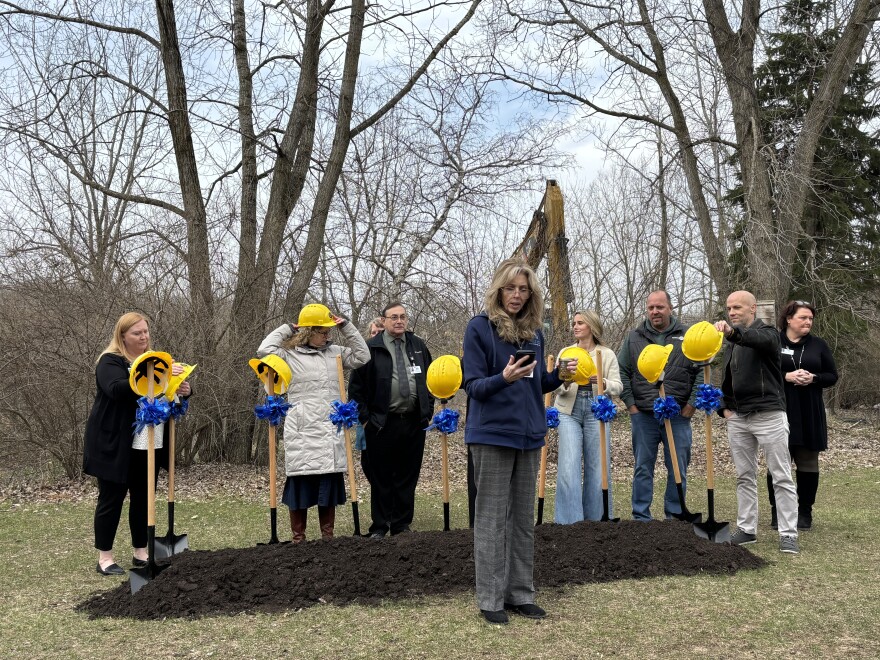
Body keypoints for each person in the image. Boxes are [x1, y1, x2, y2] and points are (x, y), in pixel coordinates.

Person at [462, 258, 574, 625]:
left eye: (523, 289)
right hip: (492, 435)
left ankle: (519, 594)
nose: (516, 295)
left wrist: (557, 376)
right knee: (492, 519)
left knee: (524, 519)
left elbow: (536, 384)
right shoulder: (479, 329)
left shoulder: (534, 332)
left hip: (529, 435)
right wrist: (504, 377)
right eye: (510, 288)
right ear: (498, 290)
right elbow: (474, 387)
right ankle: (491, 598)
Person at [83, 312, 191, 575]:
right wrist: (158, 373)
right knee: (112, 499)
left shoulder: (154, 361)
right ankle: (105, 558)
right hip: (113, 442)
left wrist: (181, 389)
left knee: (143, 498)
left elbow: (164, 391)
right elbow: (118, 390)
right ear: (122, 336)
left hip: (147, 441)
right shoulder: (109, 362)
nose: (143, 337)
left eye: (145, 331)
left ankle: (141, 552)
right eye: (136, 333)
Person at [257, 303, 370, 542]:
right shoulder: (289, 354)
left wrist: (347, 327)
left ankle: (327, 537)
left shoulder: (336, 352)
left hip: (329, 426)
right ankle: (299, 538)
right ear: (308, 332)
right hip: (303, 427)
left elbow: (363, 356)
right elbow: (263, 351)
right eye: (322, 332)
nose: (327, 336)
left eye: (329, 331)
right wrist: (288, 328)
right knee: (301, 480)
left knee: (328, 481)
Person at [714, 291, 800, 554]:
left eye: (737, 307)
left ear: (753, 309)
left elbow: (756, 340)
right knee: (744, 476)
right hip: (738, 418)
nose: (732, 312)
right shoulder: (733, 343)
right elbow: (727, 377)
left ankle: (788, 534)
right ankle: (748, 530)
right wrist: (724, 408)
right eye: (728, 308)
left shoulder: (769, 334)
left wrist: (732, 333)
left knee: (781, 475)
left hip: (769, 413)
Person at [349, 302, 434, 538]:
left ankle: (401, 525)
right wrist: (366, 420)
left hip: (413, 423)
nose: (399, 321)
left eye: (403, 317)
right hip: (380, 424)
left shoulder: (417, 346)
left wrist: (427, 411)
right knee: (381, 477)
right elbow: (356, 390)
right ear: (383, 320)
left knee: (408, 476)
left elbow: (431, 379)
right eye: (394, 317)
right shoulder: (371, 349)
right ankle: (380, 525)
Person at [617, 290, 702, 521]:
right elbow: (622, 371)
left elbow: (701, 370)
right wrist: (631, 405)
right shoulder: (634, 337)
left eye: (660, 307)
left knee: (677, 467)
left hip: (678, 415)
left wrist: (692, 405)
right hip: (644, 415)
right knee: (643, 467)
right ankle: (641, 516)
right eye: (651, 307)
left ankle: (674, 516)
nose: (655, 311)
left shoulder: (687, 335)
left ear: (670, 308)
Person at [767, 300, 838, 531]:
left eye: (810, 318)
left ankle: (804, 512)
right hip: (780, 409)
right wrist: (786, 376)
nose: (808, 322)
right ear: (789, 319)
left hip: (809, 410)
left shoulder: (819, 345)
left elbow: (832, 375)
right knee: (779, 463)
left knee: (808, 462)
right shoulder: (773, 341)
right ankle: (778, 511)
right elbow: (762, 372)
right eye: (803, 318)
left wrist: (814, 378)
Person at [554, 310, 623, 523]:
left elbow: (618, 387)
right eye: (574, 323)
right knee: (569, 465)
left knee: (597, 466)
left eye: (580, 323)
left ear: (591, 327)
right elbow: (557, 387)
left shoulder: (607, 354)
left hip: (597, 410)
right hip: (568, 411)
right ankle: (569, 523)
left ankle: (596, 521)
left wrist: (603, 384)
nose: (575, 326)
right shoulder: (566, 352)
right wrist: (564, 382)